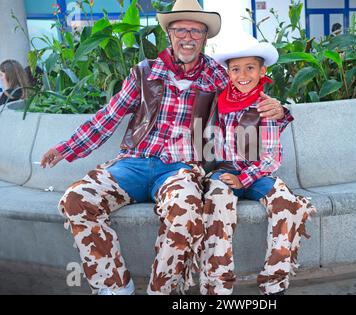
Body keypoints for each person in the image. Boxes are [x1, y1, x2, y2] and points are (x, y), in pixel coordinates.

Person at [39, 0, 287, 295]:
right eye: (181, 29)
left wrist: (278, 109)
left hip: (180, 169)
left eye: (196, 31)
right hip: (132, 163)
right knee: (76, 199)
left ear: (205, 37)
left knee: (185, 212)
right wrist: (66, 148)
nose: (188, 37)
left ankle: (163, 291)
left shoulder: (217, 76)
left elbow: (247, 91)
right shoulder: (144, 73)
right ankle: (115, 286)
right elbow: (109, 117)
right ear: (169, 32)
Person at [199, 32, 316, 295]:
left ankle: (275, 282)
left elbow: (271, 157)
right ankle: (217, 285)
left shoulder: (266, 107)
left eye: (250, 68)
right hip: (224, 171)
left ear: (262, 70)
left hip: (256, 174)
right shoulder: (218, 102)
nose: (243, 75)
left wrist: (245, 178)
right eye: (235, 69)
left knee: (286, 201)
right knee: (217, 198)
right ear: (227, 73)